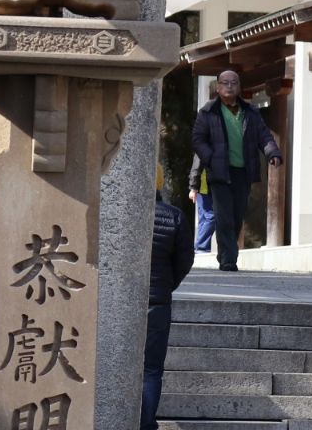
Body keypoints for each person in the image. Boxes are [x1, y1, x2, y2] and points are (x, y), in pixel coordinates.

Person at [191, 69, 282, 271]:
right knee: (223, 216)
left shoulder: (250, 112)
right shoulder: (208, 112)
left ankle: (225, 254)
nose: (229, 86)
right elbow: (197, 140)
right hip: (219, 172)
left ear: (239, 86)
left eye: (234, 82)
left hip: (243, 172)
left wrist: (272, 153)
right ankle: (229, 260)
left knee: (237, 215)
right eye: (225, 82)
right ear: (218, 86)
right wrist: (211, 158)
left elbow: (264, 137)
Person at [143, 165, 194, 430]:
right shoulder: (174, 217)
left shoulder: (126, 214)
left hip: (124, 304)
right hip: (158, 302)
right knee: (151, 370)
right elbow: (184, 261)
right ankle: (145, 423)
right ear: (160, 184)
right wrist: (166, 286)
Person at [187, 152, 215, 253]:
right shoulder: (203, 146)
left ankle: (200, 247)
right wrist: (193, 188)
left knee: (204, 218)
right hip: (204, 186)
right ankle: (201, 247)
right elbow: (196, 167)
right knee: (210, 216)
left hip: (208, 185)